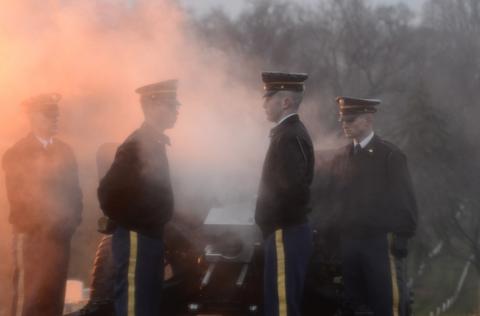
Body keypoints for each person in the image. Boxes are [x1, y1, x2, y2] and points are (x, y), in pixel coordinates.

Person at [327, 96, 418, 316]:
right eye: (343, 119)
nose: (345, 124)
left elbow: (404, 200)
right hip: (350, 242)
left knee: (386, 301)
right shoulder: (341, 156)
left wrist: (401, 238)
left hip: (380, 241)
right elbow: (335, 200)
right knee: (353, 303)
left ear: (368, 120)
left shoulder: (390, 156)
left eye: (351, 119)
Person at [97, 80, 179, 316]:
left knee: (149, 305)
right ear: (153, 108)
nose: (177, 111)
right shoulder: (136, 145)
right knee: (135, 306)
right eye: (171, 105)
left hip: (150, 238)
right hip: (137, 239)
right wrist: (138, 222)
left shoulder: (153, 142)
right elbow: (107, 194)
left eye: (176, 105)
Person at [2, 93, 83, 316]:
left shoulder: (65, 152)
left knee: (53, 299)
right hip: (30, 238)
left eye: (56, 114)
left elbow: (75, 195)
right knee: (27, 301)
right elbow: (19, 202)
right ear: (32, 117)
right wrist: (44, 227)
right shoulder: (16, 153)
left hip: (59, 238)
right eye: (48, 114)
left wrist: (71, 224)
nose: (55, 118)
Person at [255, 72, 315, 316]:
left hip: (284, 232)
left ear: (285, 102)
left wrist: (271, 221)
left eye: (268, 98)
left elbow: (292, 190)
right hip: (284, 230)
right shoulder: (288, 132)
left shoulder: (288, 136)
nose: (263, 104)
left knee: (281, 307)